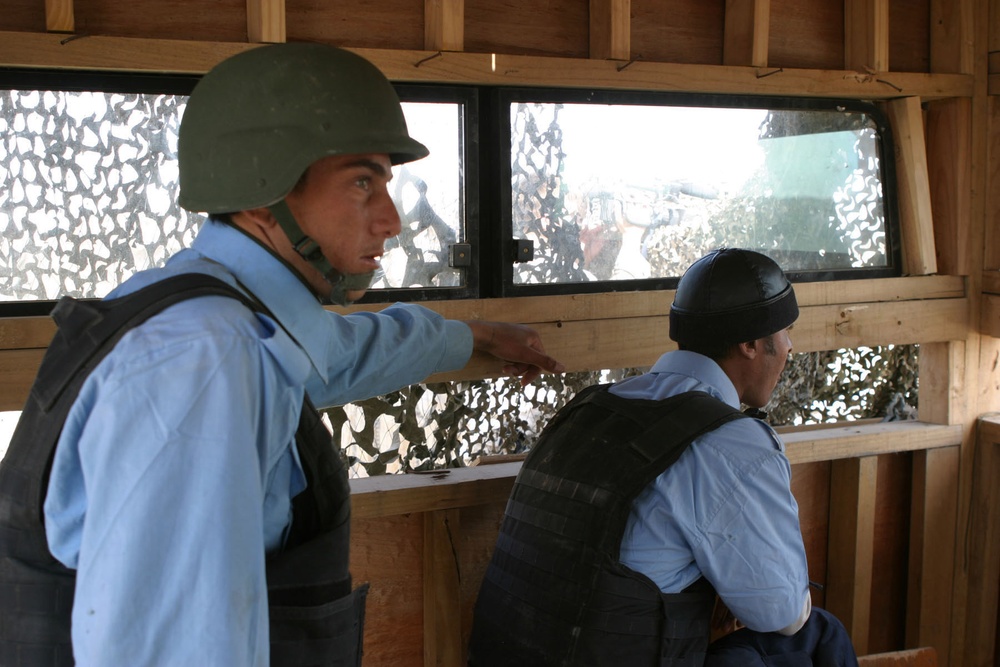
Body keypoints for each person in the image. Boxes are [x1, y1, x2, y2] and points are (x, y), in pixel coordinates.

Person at [0, 43, 564, 667]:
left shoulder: (212, 308)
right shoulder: (204, 362)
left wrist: (475, 336)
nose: (392, 220)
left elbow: (339, 353)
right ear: (258, 194)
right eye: (361, 183)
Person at [467, 248, 858, 666]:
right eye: (783, 333)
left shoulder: (590, 407)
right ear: (749, 344)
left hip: (501, 652)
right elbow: (781, 612)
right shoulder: (730, 443)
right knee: (816, 634)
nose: (789, 347)